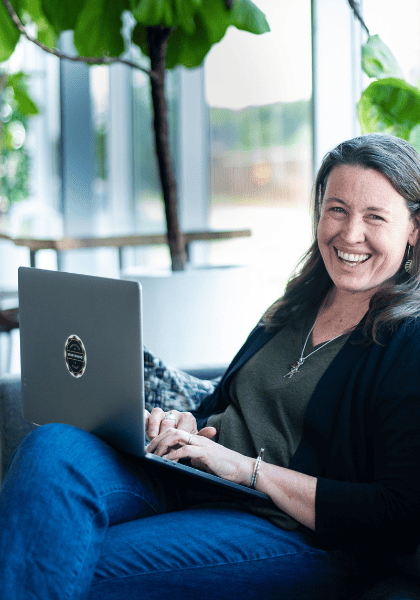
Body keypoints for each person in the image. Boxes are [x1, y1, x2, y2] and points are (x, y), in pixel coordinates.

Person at [1, 132, 420, 599]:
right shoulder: (297, 305)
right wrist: (184, 424)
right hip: (194, 477)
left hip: (284, 527)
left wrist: (246, 470)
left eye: (375, 217)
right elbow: (225, 404)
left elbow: (398, 513)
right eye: (336, 209)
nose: (349, 233)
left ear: (413, 230)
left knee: (79, 559)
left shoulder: (408, 339)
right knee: (53, 442)